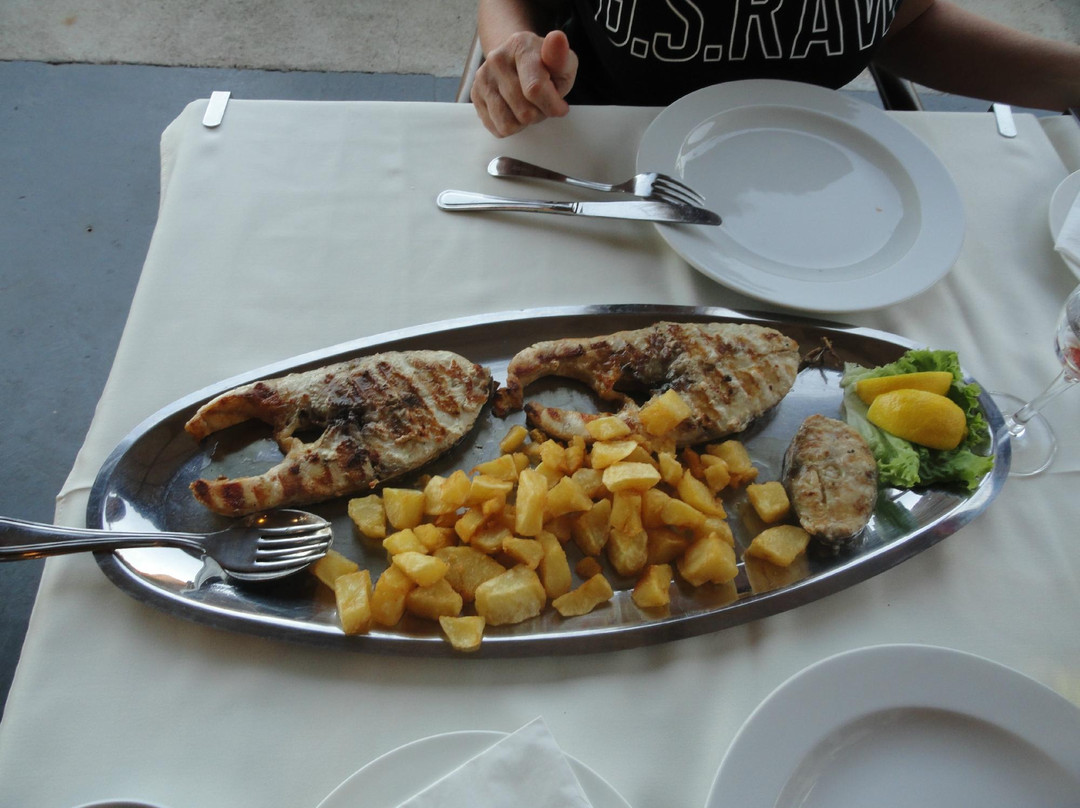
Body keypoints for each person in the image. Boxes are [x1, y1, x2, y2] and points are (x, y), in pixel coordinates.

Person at [471, 0, 1080, 137]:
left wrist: (1069, 77)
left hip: (818, 197)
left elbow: (904, 25)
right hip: (603, 173)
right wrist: (517, 53)